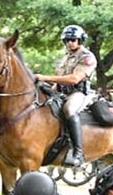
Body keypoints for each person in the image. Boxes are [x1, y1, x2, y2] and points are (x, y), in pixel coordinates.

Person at [35, 25, 97, 167]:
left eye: (73, 39)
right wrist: (49, 88)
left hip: (79, 93)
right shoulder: (65, 58)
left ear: (80, 40)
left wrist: (44, 77)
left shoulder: (87, 57)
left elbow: (75, 79)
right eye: (67, 40)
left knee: (69, 109)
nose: (70, 43)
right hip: (62, 92)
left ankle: (78, 152)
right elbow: (59, 79)